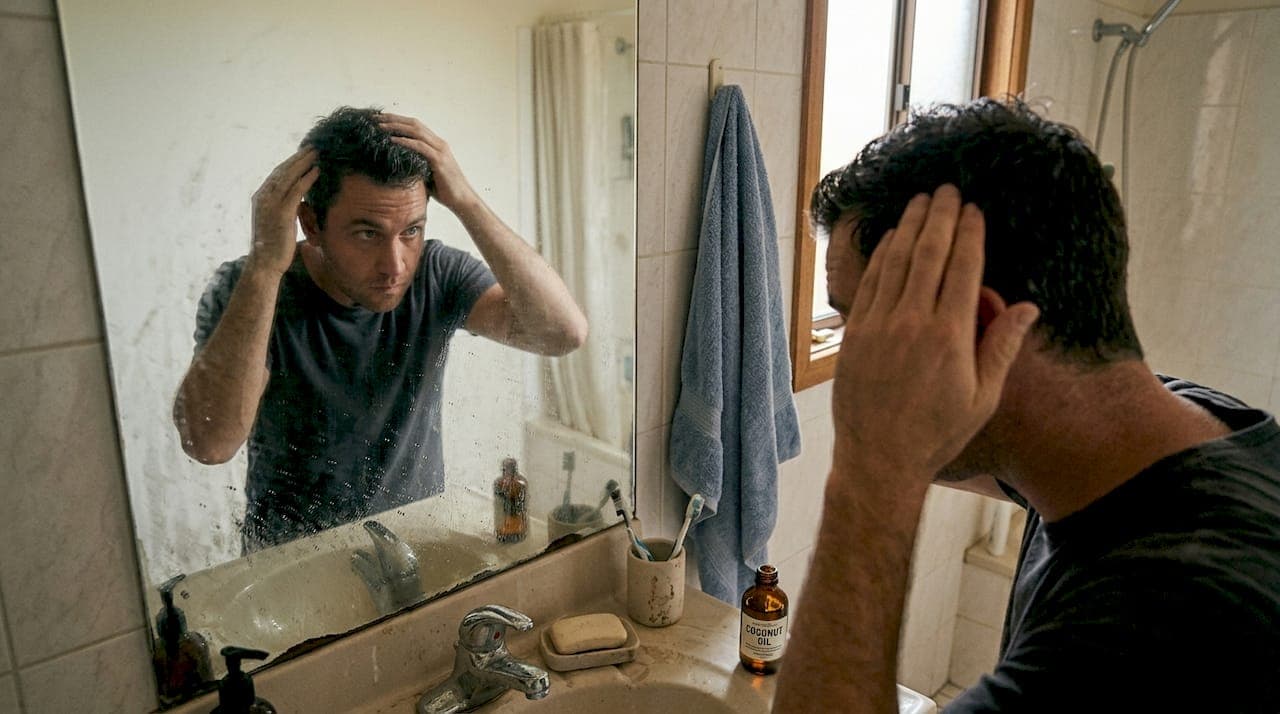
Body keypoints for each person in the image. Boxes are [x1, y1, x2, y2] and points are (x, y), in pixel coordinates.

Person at [775, 99, 1280, 712]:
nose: (859, 358)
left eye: (868, 322)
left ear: (979, 326)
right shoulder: (1176, 429)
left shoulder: (1165, 625)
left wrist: (871, 468)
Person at [173, 107, 588, 551]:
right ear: (312, 224)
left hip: (416, 544)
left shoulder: (435, 272)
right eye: (367, 234)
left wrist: (465, 199)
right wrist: (264, 266)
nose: (395, 266)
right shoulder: (249, 286)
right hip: (291, 566)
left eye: (411, 230)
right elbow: (210, 443)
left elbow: (563, 333)